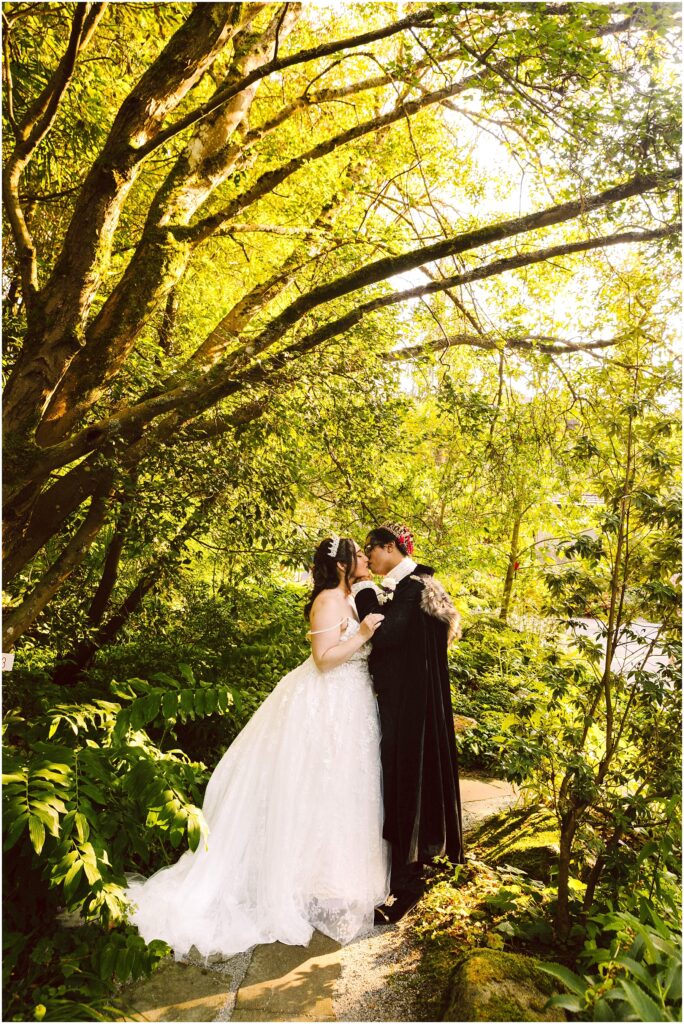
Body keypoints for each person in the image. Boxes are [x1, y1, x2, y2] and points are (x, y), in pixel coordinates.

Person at [126, 537, 389, 960]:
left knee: (341, 793)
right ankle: (291, 882)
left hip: (350, 705)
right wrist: (360, 635)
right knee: (312, 788)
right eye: (357, 555)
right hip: (325, 704)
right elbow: (323, 659)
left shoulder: (352, 595)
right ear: (341, 565)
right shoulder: (327, 600)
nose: (364, 559)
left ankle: (330, 880)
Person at [352, 523, 464, 924]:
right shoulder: (417, 586)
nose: (369, 559)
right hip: (412, 706)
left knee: (405, 787)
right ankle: (404, 876)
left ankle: (407, 887)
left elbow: (385, 637)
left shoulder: (414, 588)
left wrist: (364, 591)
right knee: (401, 786)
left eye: (372, 551)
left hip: (411, 712)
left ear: (389, 548)